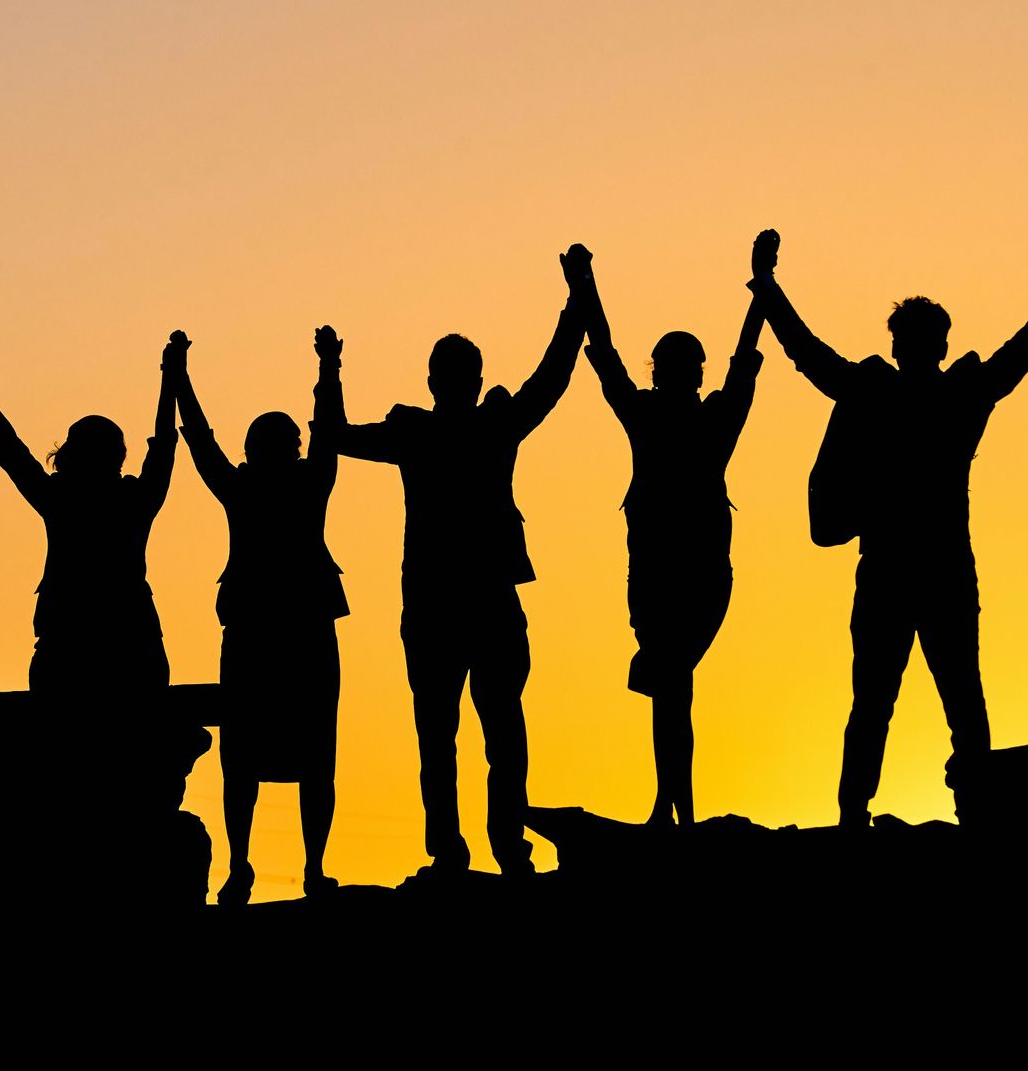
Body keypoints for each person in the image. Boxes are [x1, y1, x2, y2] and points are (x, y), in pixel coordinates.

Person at [748, 213, 1028, 827]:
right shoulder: (958, 395)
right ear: (937, 345)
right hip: (932, 573)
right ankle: (966, 813)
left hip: (897, 572)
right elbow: (1027, 346)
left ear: (900, 344)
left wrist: (767, 286)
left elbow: (806, 354)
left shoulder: (878, 392)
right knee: (955, 701)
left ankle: (856, 815)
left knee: (885, 704)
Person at [320, 246, 591, 879]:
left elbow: (333, 434)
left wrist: (330, 372)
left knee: (460, 736)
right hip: (466, 603)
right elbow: (553, 376)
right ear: (459, 379)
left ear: (441, 381)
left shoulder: (436, 433)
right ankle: (488, 850)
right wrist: (577, 297)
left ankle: (470, 850)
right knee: (485, 735)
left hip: (454, 604)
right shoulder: (471, 429)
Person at [576, 237, 768, 827]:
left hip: (693, 575)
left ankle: (673, 805)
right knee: (671, 689)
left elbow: (741, 358)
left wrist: (583, 285)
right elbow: (607, 356)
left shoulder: (701, 419)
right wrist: (582, 285)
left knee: (672, 685)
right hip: (663, 576)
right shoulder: (670, 417)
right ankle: (674, 804)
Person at [167, 328, 348, 905]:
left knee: (264, 755)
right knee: (279, 754)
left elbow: (200, 442)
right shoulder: (297, 482)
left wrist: (177, 380)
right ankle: (294, 867)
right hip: (288, 631)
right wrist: (328, 368)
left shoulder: (253, 486)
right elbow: (327, 434)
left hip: (270, 631)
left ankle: (260, 865)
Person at [0, 344, 178, 700]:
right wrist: (171, 379)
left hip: (69, 646)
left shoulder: (58, 499)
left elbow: (9, 442)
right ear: (121, 455)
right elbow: (165, 443)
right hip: (132, 643)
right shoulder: (136, 500)